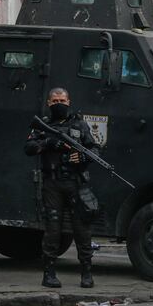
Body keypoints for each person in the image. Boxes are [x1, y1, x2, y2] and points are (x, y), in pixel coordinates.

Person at [24, 87, 98, 289]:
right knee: (53, 229)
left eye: (62, 100)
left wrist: (82, 157)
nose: (59, 104)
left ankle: (87, 273)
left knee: (82, 229)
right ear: (49, 103)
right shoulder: (44, 125)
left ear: (69, 101)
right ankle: (49, 274)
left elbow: (93, 148)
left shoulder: (79, 124)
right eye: (55, 100)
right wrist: (49, 142)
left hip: (76, 183)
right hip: (53, 184)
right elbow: (29, 148)